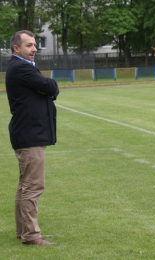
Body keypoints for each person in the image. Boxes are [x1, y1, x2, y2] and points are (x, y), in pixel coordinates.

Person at [5, 30, 59, 246]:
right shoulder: (21, 67)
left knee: (25, 185)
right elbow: (50, 86)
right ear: (16, 48)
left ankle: (23, 231)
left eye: (35, 44)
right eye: (29, 45)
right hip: (29, 135)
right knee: (33, 186)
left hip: (26, 134)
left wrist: (47, 89)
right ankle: (31, 235)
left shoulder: (20, 67)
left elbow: (46, 89)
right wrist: (50, 88)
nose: (34, 49)